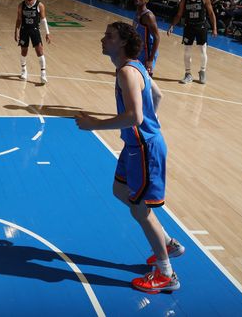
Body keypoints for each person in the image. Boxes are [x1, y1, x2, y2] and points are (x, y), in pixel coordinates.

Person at [75, 22, 182, 293]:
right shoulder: (135, 67)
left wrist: (94, 124)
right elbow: (158, 95)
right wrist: (148, 125)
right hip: (136, 145)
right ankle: (167, 242)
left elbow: (135, 116)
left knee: (140, 210)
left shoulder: (126, 72)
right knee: (119, 190)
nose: (103, 39)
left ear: (122, 42)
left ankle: (166, 273)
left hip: (144, 149)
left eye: (108, 36)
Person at [167, 0, 217, 84]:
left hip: (201, 26)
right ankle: (188, 74)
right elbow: (179, 14)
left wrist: (214, 28)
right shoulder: (184, 0)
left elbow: (211, 14)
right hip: (189, 26)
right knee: (187, 51)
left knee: (203, 50)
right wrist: (172, 25)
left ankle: (202, 71)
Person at [14, 0, 52, 83]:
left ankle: (43, 74)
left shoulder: (40, 5)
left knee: (39, 51)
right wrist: (16, 31)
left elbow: (43, 19)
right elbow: (19, 19)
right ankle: (24, 71)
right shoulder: (21, 5)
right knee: (24, 51)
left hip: (35, 30)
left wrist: (47, 33)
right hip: (24, 30)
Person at [133, 0, 160, 75]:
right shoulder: (138, 12)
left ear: (146, 0)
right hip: (139, 48)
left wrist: (150, 59)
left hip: (147, 51)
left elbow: (157, 37)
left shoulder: (149, 16)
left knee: (145, 78)